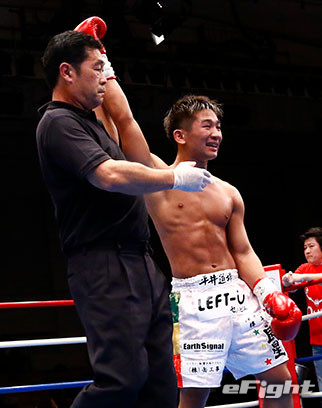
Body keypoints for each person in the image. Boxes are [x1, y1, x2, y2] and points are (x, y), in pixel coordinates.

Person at [87, 18, 301, 407]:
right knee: (194, 398)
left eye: (218, 126)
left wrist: (268, 293)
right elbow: (123, 122)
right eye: (207, 125)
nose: (216, 133)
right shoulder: (159, 179)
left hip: (238, 296)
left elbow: (243, 252)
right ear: (180, 135)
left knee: (282, 382)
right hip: (194, 303)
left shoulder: (229, 193)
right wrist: (100, 57)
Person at [35, 26, 214, 407]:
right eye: (97, 69)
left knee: (161, 384)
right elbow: (108, 175)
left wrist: (103, 58)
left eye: (106, 70)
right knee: (120, 380)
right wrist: (174, 177)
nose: (104, 78)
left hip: (141, 261)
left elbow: (126, 119)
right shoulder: (58, 123)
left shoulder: (93, 123)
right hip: (102, 262)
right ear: (67, 72)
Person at [283, 227, 322, 398]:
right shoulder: (305, 268)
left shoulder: (306, 274)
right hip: (317, 339)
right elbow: (291, 286)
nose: (307, 251)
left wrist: (303, 278)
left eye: (311, 246)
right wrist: (287, 279)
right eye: (305, 247)